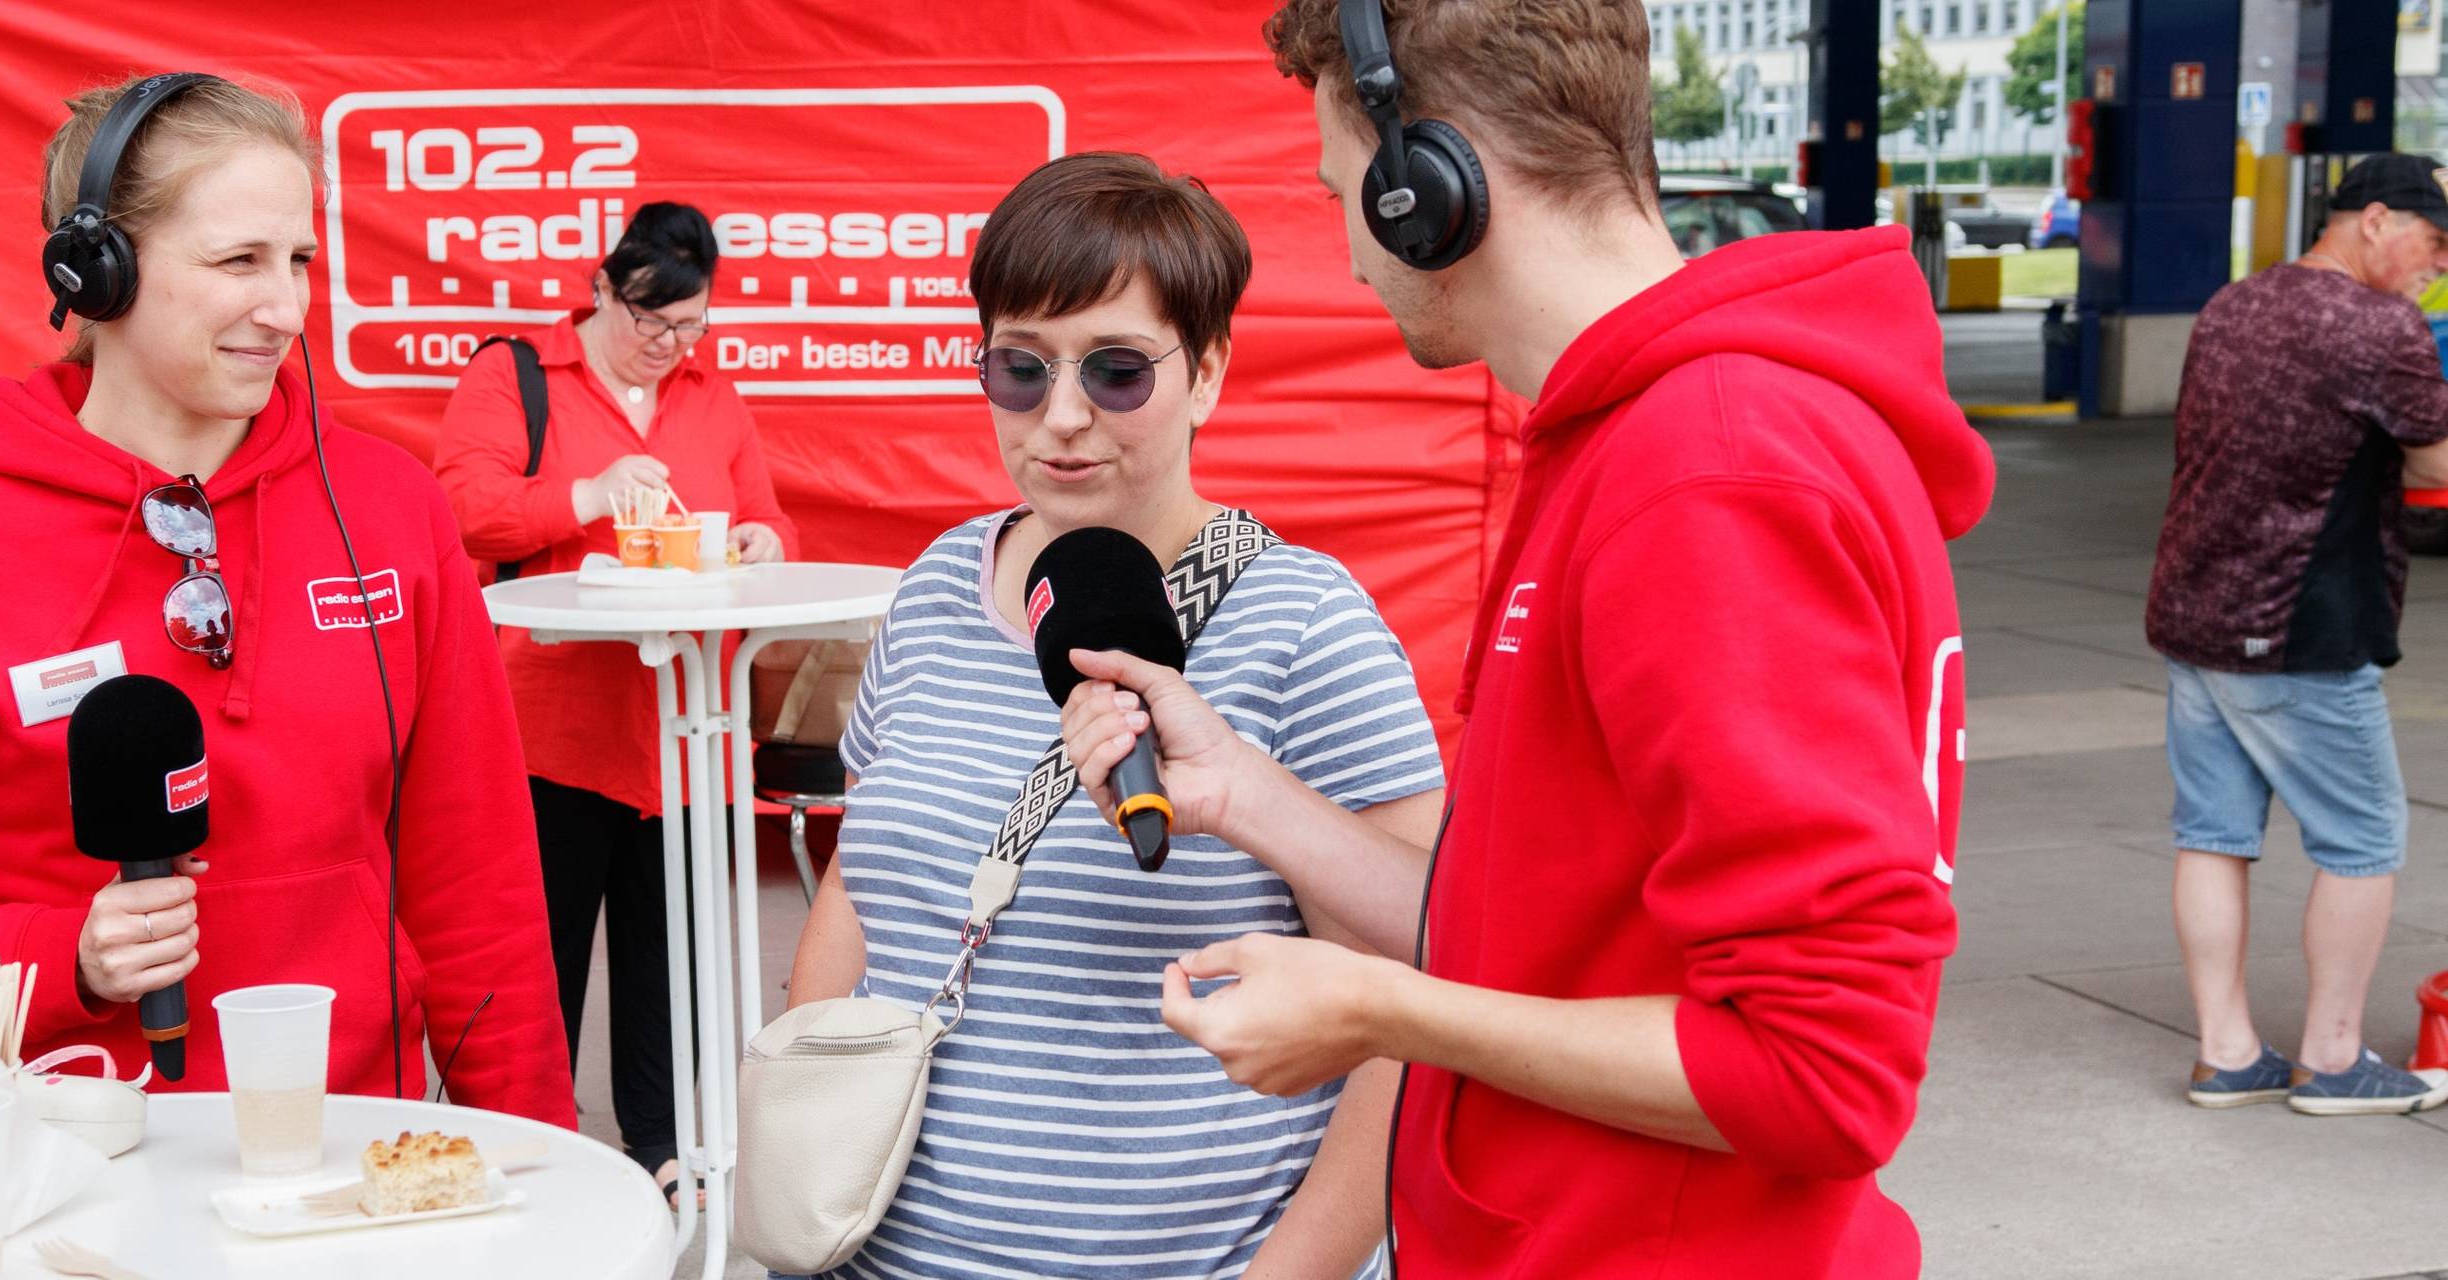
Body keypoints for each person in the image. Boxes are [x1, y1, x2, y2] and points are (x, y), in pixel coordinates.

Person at [1057, 3, 1993, 1274]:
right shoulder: (1645, 438)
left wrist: (1382, 1009)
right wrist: (1246, 792)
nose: (1348, 256)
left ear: (1422, 187)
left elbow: (1822, 1070)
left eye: (1345, 196)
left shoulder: (1705, 475)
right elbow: (1530, 939)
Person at [0, 74, 572, 1125]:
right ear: (98, 271)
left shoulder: (392, 513)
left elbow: (481, 888)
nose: (286, 307)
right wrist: (61, 953)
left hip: (347, 1156)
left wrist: (532, 1154)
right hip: (64, 1165)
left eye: (298, 260)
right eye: (237, 261)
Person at [780, 151, 1447, 1280]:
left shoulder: (1306, 622)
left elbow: (1413, 995)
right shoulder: (943, 578)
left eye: (1120, 371)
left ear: (1210, 374)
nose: (1065, 419)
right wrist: (804, 1143)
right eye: (1022, 369)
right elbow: (864, 877)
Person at [433, 201, 796, 1198]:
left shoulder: (711, 394)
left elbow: (765, 516)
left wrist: (766, 541)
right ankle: (528, 1156)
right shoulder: (517, 374)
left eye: (689, 327)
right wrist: (588, 494)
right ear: (602, 288)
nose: (667, 348)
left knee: (667, 962)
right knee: (536, 958)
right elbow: (462, 503)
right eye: (651, 323)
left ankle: (660, 1150)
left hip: (689, 732)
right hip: (554, 727)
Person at [2147, 152, 2448, 1116]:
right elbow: (2436, 457)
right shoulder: (2378, 325)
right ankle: (2333, 1057)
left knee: (2212, 834)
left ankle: (2227, 1052)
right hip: (2299, 626)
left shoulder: (2231, 304)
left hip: (2194, 609)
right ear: (2373, 220)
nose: (2434, 269)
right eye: (2432, 245)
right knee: (2364, 839)